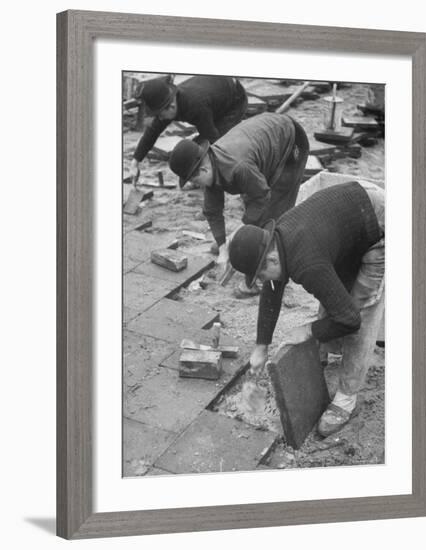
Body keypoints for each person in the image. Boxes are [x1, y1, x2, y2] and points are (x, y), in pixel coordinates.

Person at [228, 176, 385, 436]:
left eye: (260, 274)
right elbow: (272, 288)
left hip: (377, 222)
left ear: (272, 258)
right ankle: (325, 350)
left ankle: (346, 398)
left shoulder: (306, 262)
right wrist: (261, 345)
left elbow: (350, 320)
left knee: (360, 311)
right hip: (347, 216)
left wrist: (308, 331)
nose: (262, 282)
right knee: (333, 296)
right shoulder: (277, 242)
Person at [168, 112, 310, 294]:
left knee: (273, 212)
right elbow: (212, 211)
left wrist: (239, 233)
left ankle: (257, 279)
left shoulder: (238, 167)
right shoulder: (210, 162)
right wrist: (223, 248)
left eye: (195, 181)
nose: (196, 186)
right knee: (252, 201)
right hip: (264, 145)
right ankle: (238, 249)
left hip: (290, 141)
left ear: (203, 169)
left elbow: (261, 198)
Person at [128, 75, 248, 181]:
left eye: (160, 114)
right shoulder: (168, 102)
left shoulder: (195, 105)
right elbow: (152, 132)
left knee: (209, 146)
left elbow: (212, 140)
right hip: (214, 98)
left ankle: (219, 177)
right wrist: (135, 161)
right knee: (196, 148)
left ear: (172, 106)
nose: (160, 118)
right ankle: (198, 176)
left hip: (234, 101)